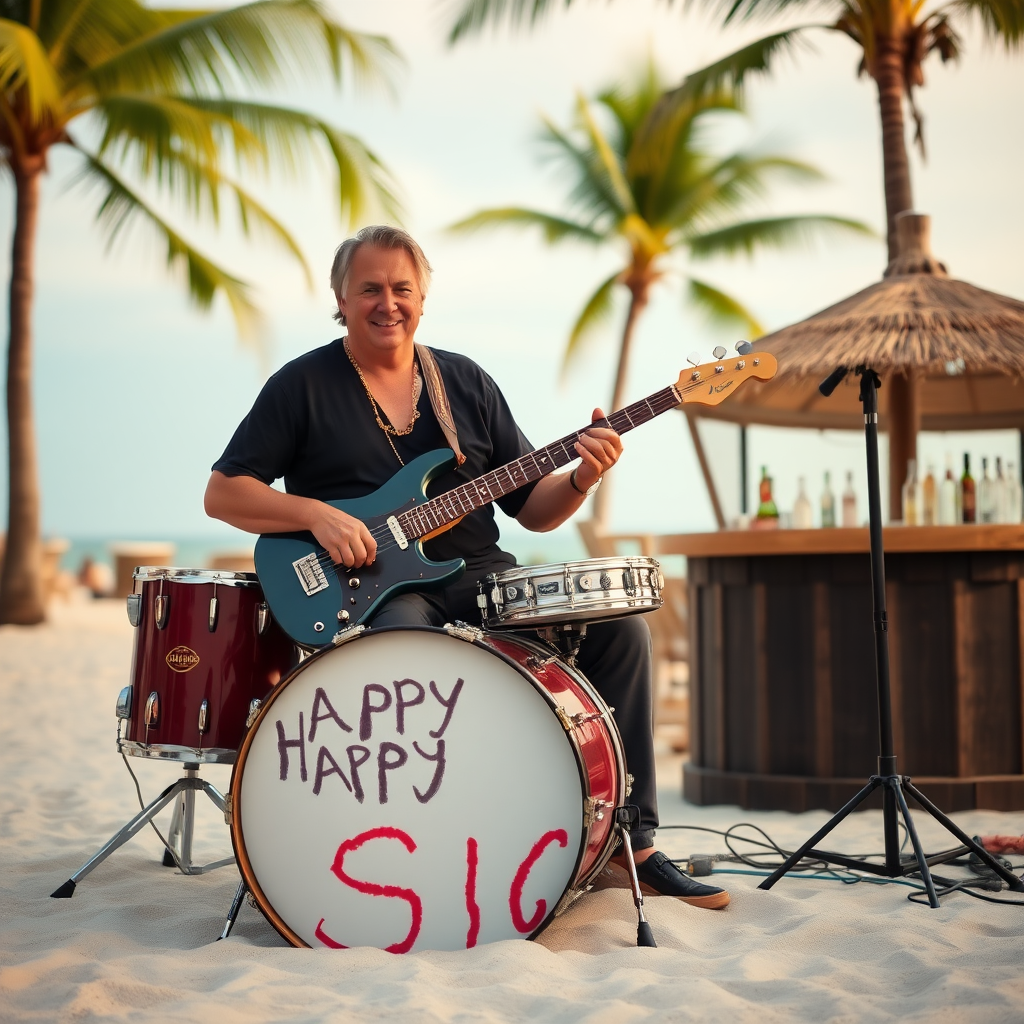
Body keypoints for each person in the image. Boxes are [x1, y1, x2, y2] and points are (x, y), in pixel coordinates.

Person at [204, 225, 728, 910]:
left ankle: (633, 846)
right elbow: (224, 493)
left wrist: (581, 478)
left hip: (480, 575)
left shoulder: (464, 382)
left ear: (422, 297)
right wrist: (316, 516)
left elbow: (531, 510)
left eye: (401, 289)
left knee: (623, 636)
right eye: (370, 289)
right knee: (408, 651)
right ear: (340, 296)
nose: (387, 303)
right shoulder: (302, 385)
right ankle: (423, 842)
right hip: (369, 592)